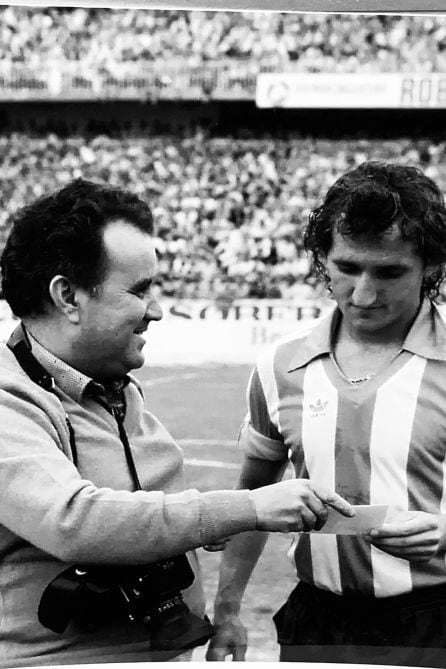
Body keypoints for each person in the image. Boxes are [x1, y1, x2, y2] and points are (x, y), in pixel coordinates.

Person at [0, 178, 353, 668]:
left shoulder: (113, 383)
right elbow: (73, 521)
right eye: (140, 289)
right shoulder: (7, 396)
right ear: (68, 297)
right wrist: (243, 508)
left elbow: (135, 511)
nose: (158, 311)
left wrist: (195, 530)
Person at [207, 161, 446, 668]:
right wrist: (226, 609)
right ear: (322, 259)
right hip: (317, 621)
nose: (363, 294)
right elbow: (253, 498)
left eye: (389, 272)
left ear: (430, 265)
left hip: (436, 621)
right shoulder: (281, 366)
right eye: (347, 268)